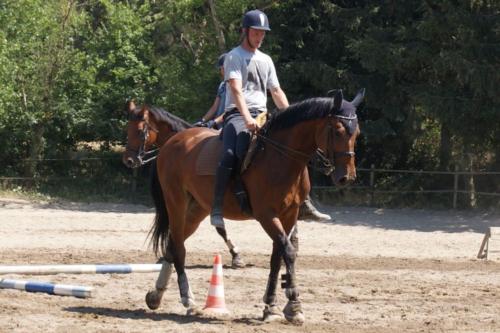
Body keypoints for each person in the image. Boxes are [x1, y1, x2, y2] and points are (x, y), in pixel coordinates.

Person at [210, 9, 330, 228]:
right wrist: (246, 118)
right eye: (256, 33)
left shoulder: (266, 60)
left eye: (263, 34)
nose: (260, 37)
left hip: (264, 115)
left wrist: (292, 117)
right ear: (245, 31)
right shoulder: (233, 57)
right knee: (230, 154)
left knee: (296, 148)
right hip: (237, 115)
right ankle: (217, 206)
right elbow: (236, 91)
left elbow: (276, 91)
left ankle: (303, 201)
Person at [194, 54, 227, 129]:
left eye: (221, 69)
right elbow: (214, 107)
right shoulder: (222, 85)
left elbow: (232, 110)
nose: (220, 71)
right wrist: (202, 120)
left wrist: (213, 122)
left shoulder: (238, 86)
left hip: (229, 124)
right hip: (218, 125)